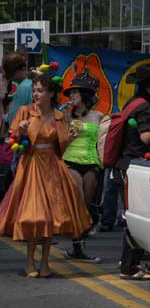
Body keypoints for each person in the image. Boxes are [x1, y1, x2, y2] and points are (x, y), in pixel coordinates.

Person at [0, 74, 92, 278]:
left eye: (40, 91)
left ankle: (44, 262)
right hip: (32, 165)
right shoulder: (25, 112)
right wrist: (20, 133)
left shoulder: (60, 116)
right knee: (35, 216)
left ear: (51, 93)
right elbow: (11, 139)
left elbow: (61, 147)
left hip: (52, 167)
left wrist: (70, 138)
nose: (35, 94)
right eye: (34, 90)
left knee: (51, 218)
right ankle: (29, 261)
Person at [106, 64, 150, 280]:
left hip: (122, 164)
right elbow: (145, 137)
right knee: (134, 215)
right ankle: (130, 266)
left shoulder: (133, 102)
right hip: (132, 166)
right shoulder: (143, 106)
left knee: (130, 214)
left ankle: (127, 261)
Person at [62, 73, 104, 263]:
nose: (71, 96)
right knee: (78, 202)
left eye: (75, 92)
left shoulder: (99, 116)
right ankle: (77, 247)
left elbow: (104, 141)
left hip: (92, 163)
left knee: (86, 206)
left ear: (85, 95)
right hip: (70, 161)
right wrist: (67, 133)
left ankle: (78, 247)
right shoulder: (64, 116)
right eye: (70, 93)